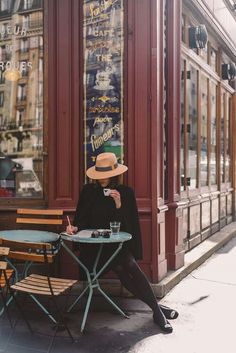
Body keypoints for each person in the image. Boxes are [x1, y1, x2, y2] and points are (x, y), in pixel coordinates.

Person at [66, 152, 178, 333]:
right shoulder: (88, 191)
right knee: (123, 269)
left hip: (115, 247)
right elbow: (81, 221)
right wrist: (73, 228)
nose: (102, 180)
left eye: (106, 175)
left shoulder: (125, 193)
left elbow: (128, 227)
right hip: (93, 250)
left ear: (114, 174)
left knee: (129, 265)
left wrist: (118, 204)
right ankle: (158, 310)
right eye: (100, 175)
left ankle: (157, 312)